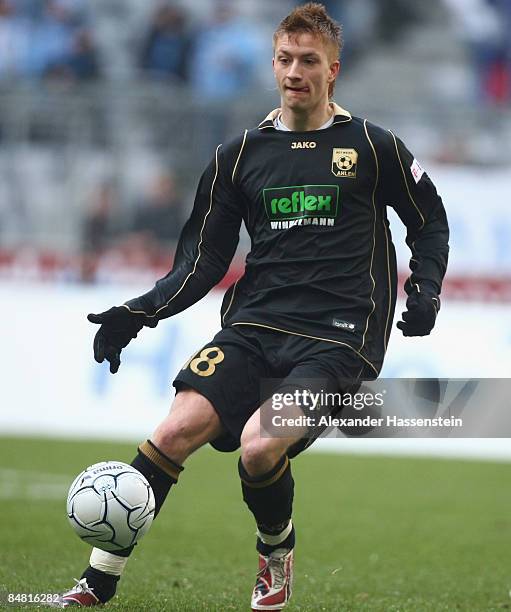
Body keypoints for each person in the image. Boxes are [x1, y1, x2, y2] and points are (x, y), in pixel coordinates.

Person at [52, 3, 449, 610]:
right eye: (285, 59)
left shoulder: (373, 146)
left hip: (339, 337)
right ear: (273, 63)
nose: (295, 71)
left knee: (262, 446)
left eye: (309, 60)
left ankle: (275, 552)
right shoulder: (238, 155)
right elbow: (201, 263)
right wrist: (140, 310)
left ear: (333, 69)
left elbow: (430, 220)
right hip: (254, 324)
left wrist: (425, 287)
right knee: (173, 430)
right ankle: (96, 583)